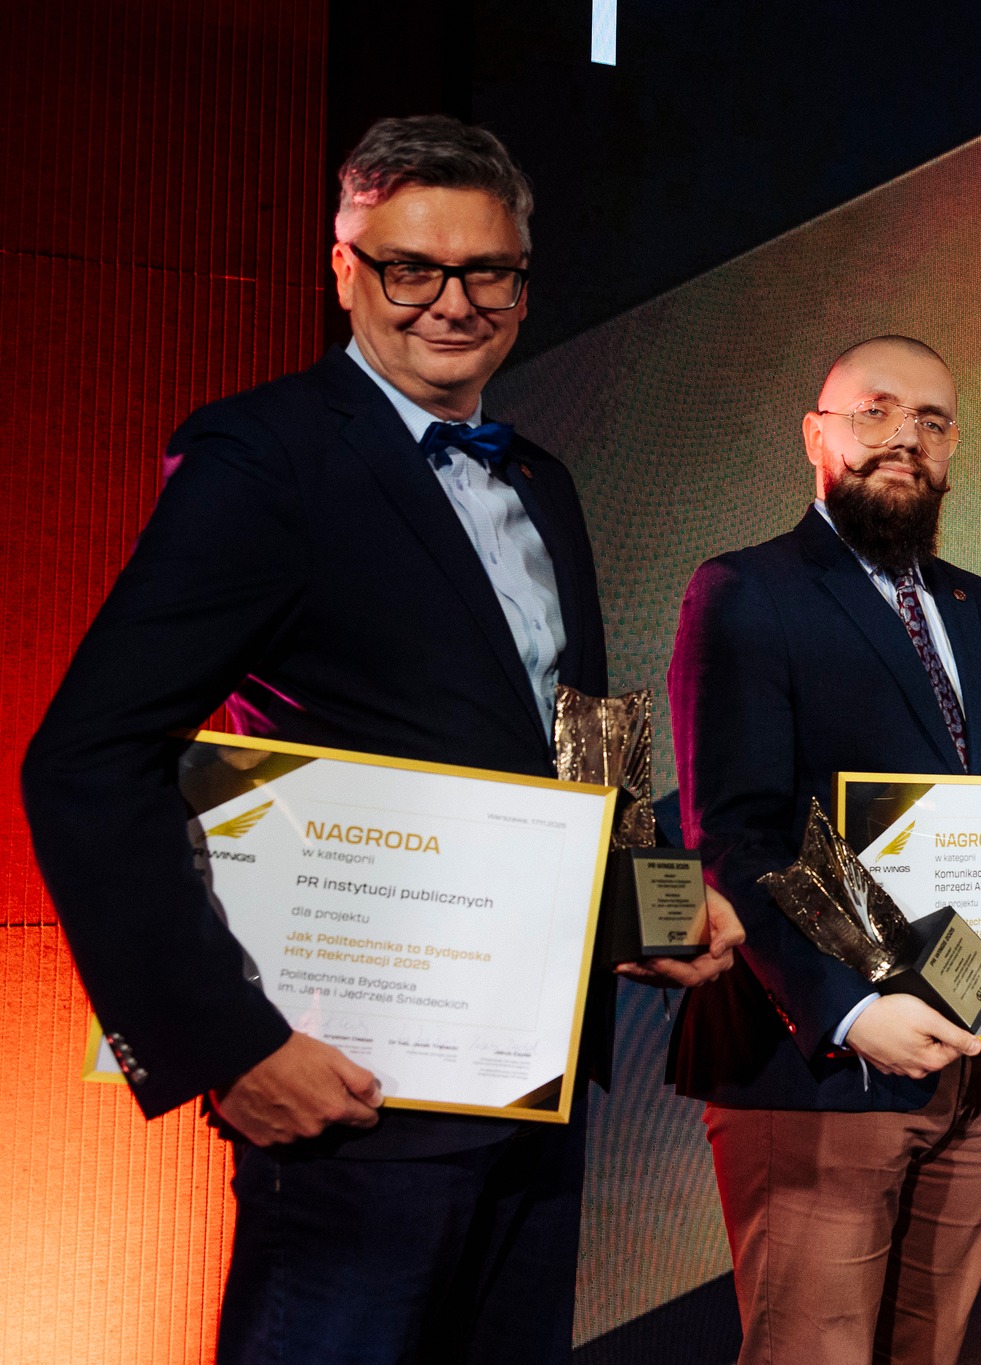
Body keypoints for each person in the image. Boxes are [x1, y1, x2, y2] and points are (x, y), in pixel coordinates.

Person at [19, 115, 739, 1364]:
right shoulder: (264, 456)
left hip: (531, 1072)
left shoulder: (541, 479)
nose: (452, 303)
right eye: (412, 269)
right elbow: (85, 759)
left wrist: (645, 903)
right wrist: (231, 1047)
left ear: (523, 285)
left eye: (487, 272)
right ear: (345, 271)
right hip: (349, 1085)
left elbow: (569, 736)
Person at [666, 335, 981, 1365]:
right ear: (816, 435)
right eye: (875, 412)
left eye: (931, 421)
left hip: (979, 1065)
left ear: (952, 449)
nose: (905, 438)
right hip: (820, 1069)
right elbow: (734, 833)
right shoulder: (744, 589)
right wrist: (848, 1009)